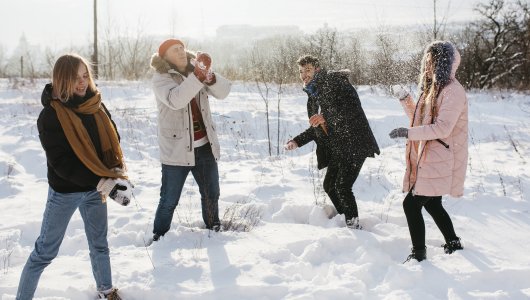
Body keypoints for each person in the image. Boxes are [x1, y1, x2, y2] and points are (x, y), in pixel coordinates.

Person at [16, 54, 133, 300]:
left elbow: (113, 139)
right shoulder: (51, 115)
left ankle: (106, 291)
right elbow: (61, 164)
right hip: (65, 192)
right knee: (44, 252)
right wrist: (103, 182)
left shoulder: (96, 105)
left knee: (99, 244)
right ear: (61, 79)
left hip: (97, 189)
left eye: (85, 76)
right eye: (74, 78)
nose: (82, 83)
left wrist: (114, 174)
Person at [389, 41, 467, 262]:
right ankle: (453, 242)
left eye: (433, 62)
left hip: (439, 157)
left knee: (411, 205)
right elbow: (420, 119)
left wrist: (408, 133)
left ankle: (419, 254)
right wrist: (406, 99)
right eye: (427, 61)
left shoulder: (453, 91)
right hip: (430, 156)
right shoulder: (434, 88)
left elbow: (443, 127)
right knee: (432, 203)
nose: (428, 65)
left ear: (443, 63)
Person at [149, 39, 231, 241]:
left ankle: (214, 230)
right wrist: (198, 76)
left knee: (212, 193)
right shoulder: (161, 78)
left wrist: (210, 78)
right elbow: (176, 100)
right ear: (164, 56)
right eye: (174, 50)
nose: (181, 51)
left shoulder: (196, 69)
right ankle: (159, 236)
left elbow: (224, 92)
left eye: (182, 48)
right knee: (169, 200)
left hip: (204, 146)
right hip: (176, 150)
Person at [285, 55, 380, 229]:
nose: (304, 75)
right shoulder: (313, 94)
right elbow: (317, 126)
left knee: (342, 186)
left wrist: (326, 117)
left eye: (308, 70)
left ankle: (354, 226)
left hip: (355, 141)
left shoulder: (334, 83)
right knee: (329, 185)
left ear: (317, 69)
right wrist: (297, 141)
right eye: (301, 71)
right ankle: (345, 219)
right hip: (340, 145)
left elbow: (351, 110)